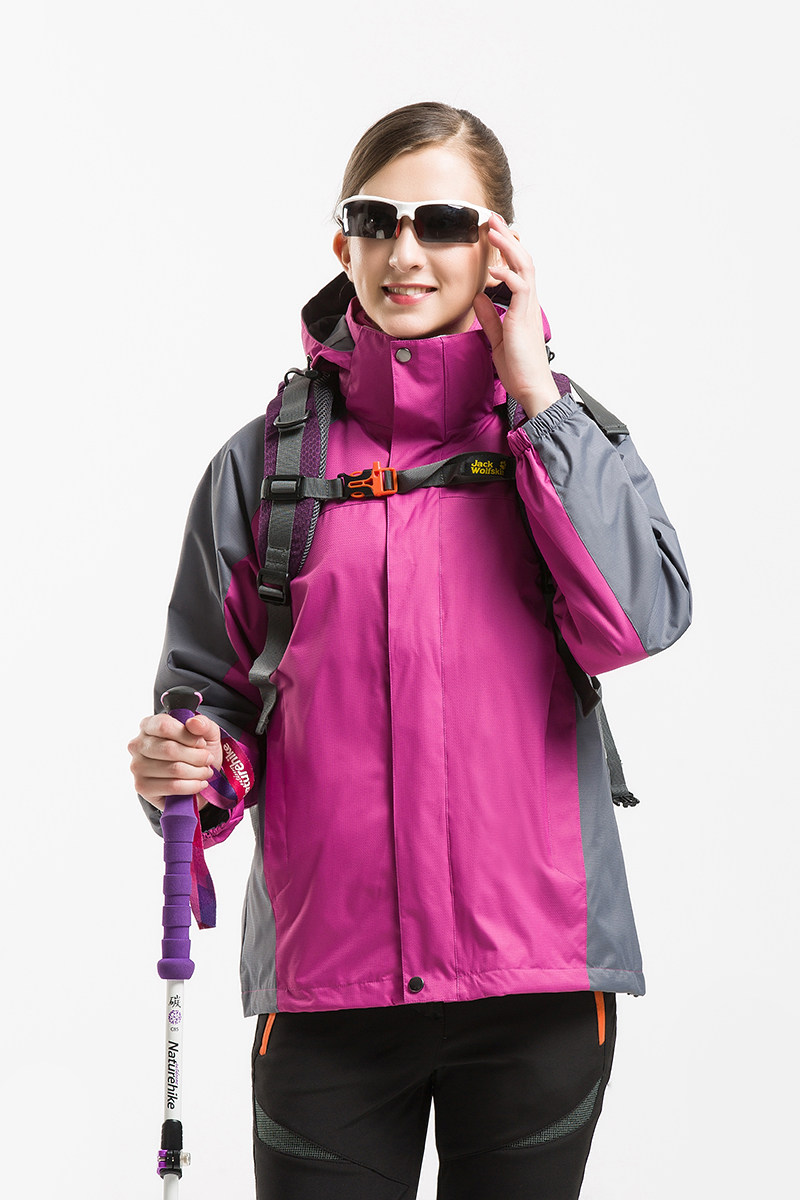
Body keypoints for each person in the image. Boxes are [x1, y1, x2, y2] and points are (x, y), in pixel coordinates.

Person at [129, 101, 691, 1199]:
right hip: (328, 996)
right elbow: (210, 707)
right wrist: (189, 766)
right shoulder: (262, 468)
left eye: (442, 221)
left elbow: (637, 619)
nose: (405, 251)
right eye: (375, 219)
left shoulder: (559, 438)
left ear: (498, 246)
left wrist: (533, 396)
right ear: (342, 245)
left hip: (535, 987)